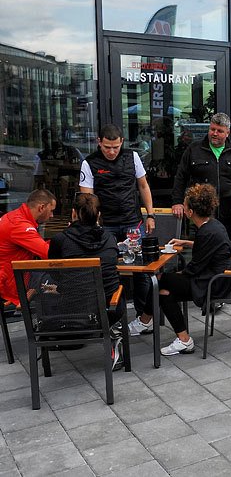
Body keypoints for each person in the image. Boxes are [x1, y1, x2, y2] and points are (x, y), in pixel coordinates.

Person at [128, 184, 231, 356]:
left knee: (161, 279)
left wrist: (176, 275)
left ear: (190, 212)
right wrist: (186, 242)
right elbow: (209, 248)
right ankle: (184, 340)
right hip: (215, 277)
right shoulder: (213, 225)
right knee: (163, 292)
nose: (183, 208)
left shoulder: (206, 232)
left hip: (213, 282)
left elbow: (194, 268)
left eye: (185, 205)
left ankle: (145, 321)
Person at [80, 124, 157, 316]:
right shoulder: (89, 163)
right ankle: (112, 315)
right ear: (99, 142)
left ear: (122, 142)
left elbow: (143, 186)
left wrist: (151, 214)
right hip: (106, 225)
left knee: (141, 270)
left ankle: (143, 316)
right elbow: (87, 199)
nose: (112, 151)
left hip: (133, 222)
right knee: (108, 271)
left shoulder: (132, 157)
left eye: (116, 147)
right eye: (107, 147)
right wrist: (92, 225)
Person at [48, 193, 124, 369]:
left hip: (72, 310)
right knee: (116, 287)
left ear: (74, 213)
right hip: (109, 309)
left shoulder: (61, 240)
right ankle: (114, 334)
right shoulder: (110, 238)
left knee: (49, 288)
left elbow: (54, 274)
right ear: (98, 215)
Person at [171, 113, 231, 245]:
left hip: (229, 213)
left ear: (227, 133)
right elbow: (181, 176)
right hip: (200, 213)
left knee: (226, 251)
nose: (215, 133)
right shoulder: (194, 150)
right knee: (201, 249)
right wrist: (177, 202)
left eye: (220, 131)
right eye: (212, 129)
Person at [0, 190, 56, 307]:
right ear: (41, 208)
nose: (52, 216)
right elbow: (48, 254)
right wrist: (68, 239)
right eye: (51, 211)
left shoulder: (15, 216)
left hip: (13, 277)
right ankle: (53, 323)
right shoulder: (20, 226)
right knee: (61, 287)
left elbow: (38, 246)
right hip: (13, 285)